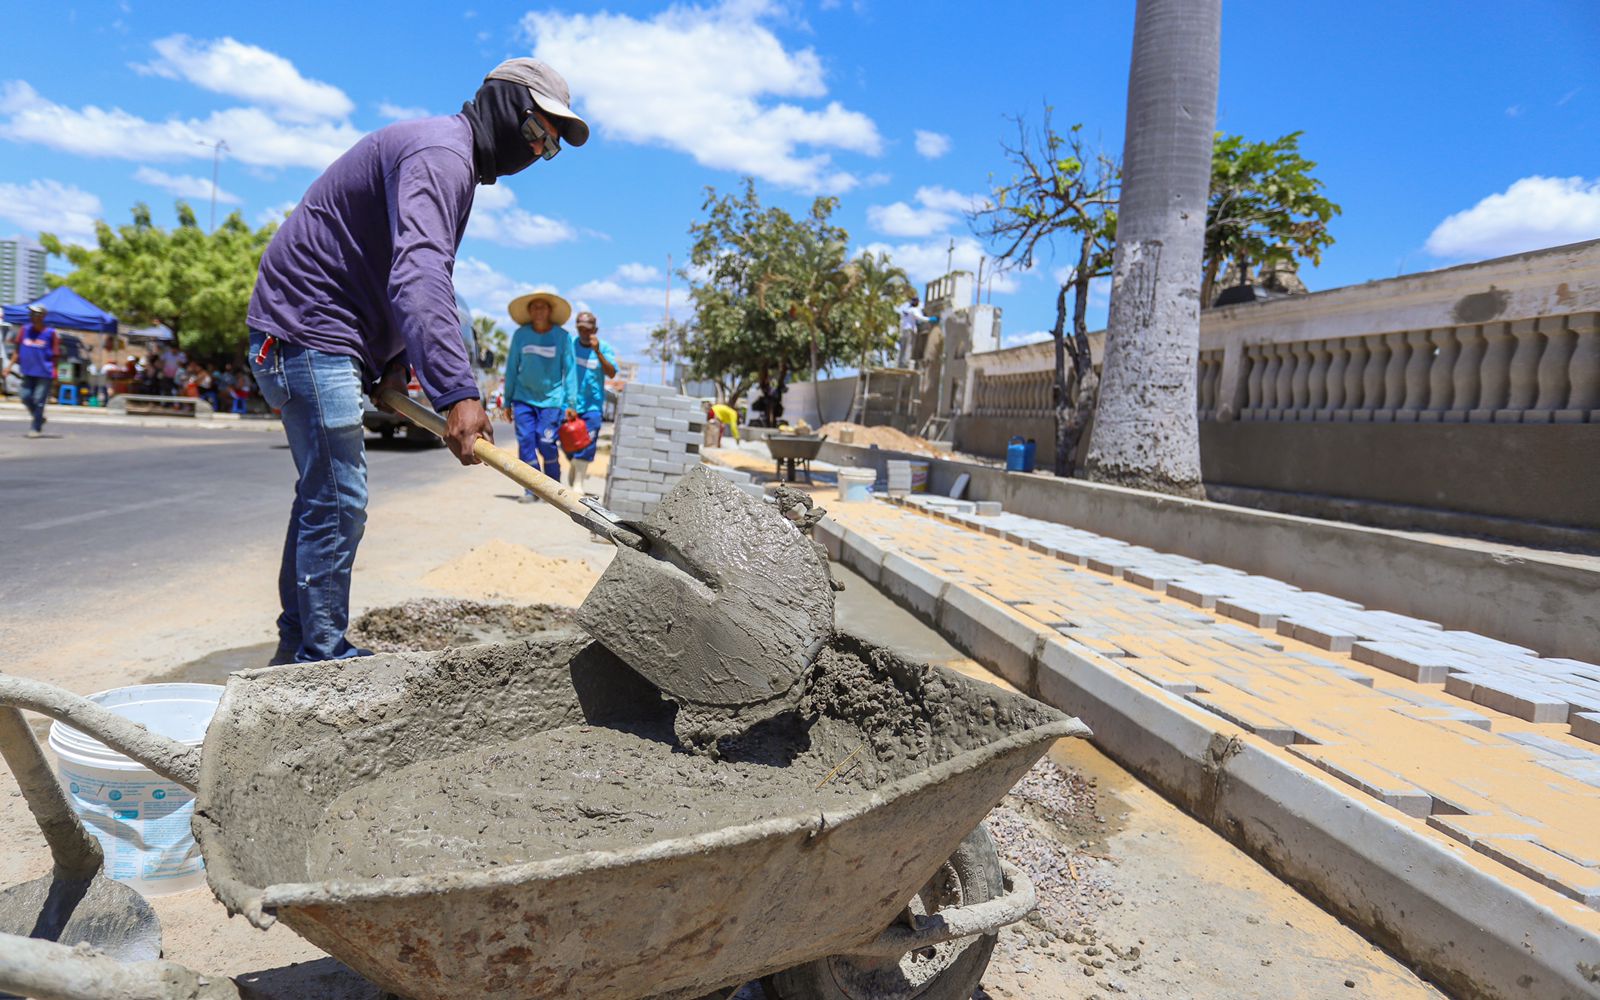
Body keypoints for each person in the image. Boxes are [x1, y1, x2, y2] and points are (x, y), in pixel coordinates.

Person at [245, 57, 588, 664]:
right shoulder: (442, 154)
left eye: (550, 150)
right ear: (506, 107)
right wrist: (458, 393)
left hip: (333, 328)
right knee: (338, 497)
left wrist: (396, 363)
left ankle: (300, 644)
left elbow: (399, 266)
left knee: (321, 495)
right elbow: (419, 274)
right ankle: (319, 660)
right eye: (538, 134)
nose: (537, 152)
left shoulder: (450, 159)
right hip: (307, 327)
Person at [503, 291, 577, 500]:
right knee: (526, 442)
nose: (538, 311)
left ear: (550, 311)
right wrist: (507, 401)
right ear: (529, 311)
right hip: (522, 398)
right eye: (534, 307)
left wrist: (571, 403)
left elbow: (570, 371)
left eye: (542, 307)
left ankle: (552, 487)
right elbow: (511, 368)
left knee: (545, 442)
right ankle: (531, 489)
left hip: (552, 401)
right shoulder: (521, 335)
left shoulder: (563, 337)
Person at [566, 310, 616, 494]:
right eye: (580, 329)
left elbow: (611, 373)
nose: (584, 333)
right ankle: (574, 463)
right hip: (569, 404)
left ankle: (578, 483)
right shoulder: (569, 344)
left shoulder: (605, 348)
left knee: (587, 444)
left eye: (588, 329)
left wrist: (598, 352)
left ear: (595, 329)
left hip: (592, 406)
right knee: (569, 443)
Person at [6, 305, 56, 437]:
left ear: (43, 316)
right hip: (27, 371)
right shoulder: (24, 330)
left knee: (39, 399)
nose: (33, 317)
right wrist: (9, 367)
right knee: (25, 396)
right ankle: (38, 417)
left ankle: (36, 427)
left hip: (44, 372)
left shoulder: (50, 333)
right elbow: (17, 350)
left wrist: (54, 373)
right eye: (32, 314)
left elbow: (55, 355)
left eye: (36, 314)